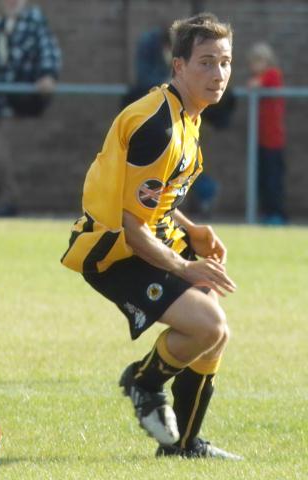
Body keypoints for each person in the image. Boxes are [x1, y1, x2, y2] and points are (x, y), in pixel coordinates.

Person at [60, 13, 242, 459]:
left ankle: (184, 445)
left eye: (224, 62)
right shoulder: (157, 127)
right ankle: (144, 382)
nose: (217, 74)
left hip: (147, 238)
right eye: (205, 62)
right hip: (113, 253)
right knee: (208, 324)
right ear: (177, 66)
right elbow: (128, 223)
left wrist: (191, 229)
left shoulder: (186, 116)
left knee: (215, 333)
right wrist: (182, 264)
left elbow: (150, 200)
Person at [0, 0, 61, 217]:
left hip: (16, 101)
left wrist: (48, 74)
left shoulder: (34, 21)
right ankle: (0, 202)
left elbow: (48, 50)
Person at [247, 42, 287, 225]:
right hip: (260, 139)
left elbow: (255, 85)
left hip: (273, 140)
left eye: (257, 61)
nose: (254, 66)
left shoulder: (273, 74)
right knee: (262, 179)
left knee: (273, 179)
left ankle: (276, 214)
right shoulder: (261, 77)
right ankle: (266, 213)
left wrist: (256, 82)